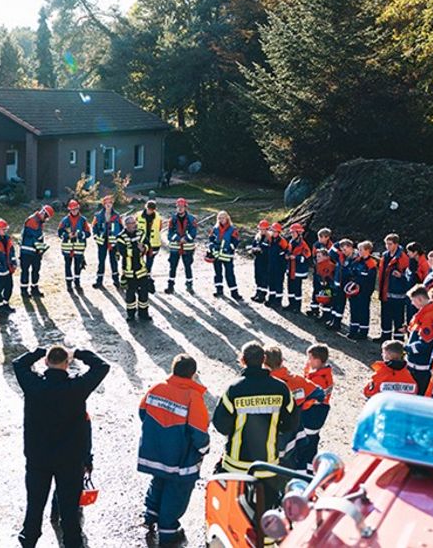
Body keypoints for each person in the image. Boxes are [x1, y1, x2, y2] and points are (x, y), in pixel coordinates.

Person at [13, 346, 109, 548]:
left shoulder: (33, 385)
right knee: (69, 507)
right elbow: (102, 366)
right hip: (70, 458)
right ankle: (72, 542)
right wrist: (79, 353)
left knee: (35, 503)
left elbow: (18, 363)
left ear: (46, 363)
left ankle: (29, 539)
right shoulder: (77, 388)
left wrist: (40, 351)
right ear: (67, 365)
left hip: (38, 456)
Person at [212, 341, 298, 510]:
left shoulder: (234, 389)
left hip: (235, 465)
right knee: (264, 515)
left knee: (234, 511)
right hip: (268, 465)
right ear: (264, 359)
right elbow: (292, 422)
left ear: (242, 360)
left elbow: (220, 424)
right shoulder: (281, 388)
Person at [137, 354, 209, 546]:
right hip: (180, 459)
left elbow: (143, 412)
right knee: (177, 492)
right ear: (193, 374)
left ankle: (150, 515)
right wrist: (204, 449)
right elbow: (198, 432)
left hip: (155, 452)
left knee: (159, 481)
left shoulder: (157, 388)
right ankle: (168, 532)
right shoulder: (193, 397)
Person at [262, 346, 325, 471]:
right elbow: (320, 393)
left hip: (274, 431)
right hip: (295, 430)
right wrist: (305, 404)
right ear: (281, 361)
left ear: (264, 363)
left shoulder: (267, 384)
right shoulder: (297, 380)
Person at [297, 344, 333, 477]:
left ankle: (304, 472)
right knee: (312, 441)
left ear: (317, 361)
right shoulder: (323, 374)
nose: (308, 361)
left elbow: (308, 399)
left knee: (306, 442)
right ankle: (310, 469)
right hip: (319, 412)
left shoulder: (319, 379)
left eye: (310, 358)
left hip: (313, 413)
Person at [405, 285, 433, 394]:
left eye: (413, 301)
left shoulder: (428, 316)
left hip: (420, 364)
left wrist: (405, 348)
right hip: (418, 362)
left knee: (418, 391)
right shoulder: (426, 313)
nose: (412, 304)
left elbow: (425, 345)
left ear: (420, 299)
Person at [117, 215, 152, 322]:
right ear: (126, 225)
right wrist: (138, 251)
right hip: (129, 271)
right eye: (131, 223)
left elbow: (147, 245)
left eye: (134, 223)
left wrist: (144, 248)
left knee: (144, 294)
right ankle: (131, 315)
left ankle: (144, 314)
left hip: (141, 270)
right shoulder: (121, 237)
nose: (134, 225)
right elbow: (124, 252)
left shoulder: (140, 233)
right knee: (130, 295)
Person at [378, 234, 411, 342]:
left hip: (398, 294)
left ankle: (398, 340)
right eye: (386, 243)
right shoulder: (385, 255)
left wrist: (401, 276)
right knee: (385, 316)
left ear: (396, 244)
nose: (387, 246)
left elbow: (409, 277)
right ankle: (385, 337)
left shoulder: (403, 258)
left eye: (390, 244)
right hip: (386, 292)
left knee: (398, 318)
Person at [18, 206, 53, 298]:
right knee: (25, 271)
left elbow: (38, 238)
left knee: (36, 271)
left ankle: (34, 289)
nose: (46, 220)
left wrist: (41, 249)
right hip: (27, 252)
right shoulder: (31, 220)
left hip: (35, 252)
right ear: (43, 213)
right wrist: (40, 246)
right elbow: (34, 237)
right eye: (46, 217)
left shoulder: (39, 222)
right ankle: (24, 291)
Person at [346, 241, 378, 341]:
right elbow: (351, 272)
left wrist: (364, 291)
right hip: (354, 291)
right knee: (353, 310)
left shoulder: (371, 264)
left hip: (364, 292)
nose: (358, 251)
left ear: (368, 250)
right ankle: (353, 330)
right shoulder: (357, 261)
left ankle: (363, 332)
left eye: (361, 249)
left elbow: (370, 279)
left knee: (363, 311)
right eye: (358, 249)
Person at [207, 211, 242, 300]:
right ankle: (219, 290)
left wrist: (229, 248)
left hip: (227, 256)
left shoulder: (232, 229)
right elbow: (210, 240)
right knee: (217, 273)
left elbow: (236, 241)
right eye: (219, 218)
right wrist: (212, 249)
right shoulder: (215, 229)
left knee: (229, 274)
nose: (221, 220)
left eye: (223, 218)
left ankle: (234, 293)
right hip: (217, 255)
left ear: (227, 218)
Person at [165, 198, 198, 294]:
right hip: (175, 247)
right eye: (178, 207)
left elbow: (193, 232)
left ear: (185, 207)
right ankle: (170, 286)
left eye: (181, 207)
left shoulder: (192, 219)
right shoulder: (172, 219)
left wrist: (185, 239)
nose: (180, 208)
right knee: (173, 266)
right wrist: (179, 239)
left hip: (187, 248)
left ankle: (189, 285)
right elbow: (170, 233)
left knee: (188, 266)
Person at [58, 200, 91, 290]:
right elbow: (59, 232)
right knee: (67, 265)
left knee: (78, 265)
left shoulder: (83, 220)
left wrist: (79, 235)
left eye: (75, 209)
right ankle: (69, 284)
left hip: (78, 248)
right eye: (72, 209)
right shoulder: (64, 220)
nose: (74, 211)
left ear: (78, 208)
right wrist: (66, 235)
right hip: (67, 248)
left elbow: (88, 233)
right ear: (69, 210)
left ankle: (77, 282)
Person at [91, 195, 122, 289]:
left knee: (114, 261)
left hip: (113, 243)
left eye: (110, 203)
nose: (108, 205)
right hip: (102, 242)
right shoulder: (98, 216)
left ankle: (116, 281)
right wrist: (96, 237)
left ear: (112, 204)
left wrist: (119, 241)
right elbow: (94, 227)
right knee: (101, 261)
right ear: (104, 204)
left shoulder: (117, 216)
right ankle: (99, 281)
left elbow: (121, 228)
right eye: (106, 203)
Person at [325, 238, 353, 329]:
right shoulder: (341, 257)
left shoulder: (353, 259)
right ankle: (333, 320)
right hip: (337, 284)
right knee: (334, 303)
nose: (343, 251)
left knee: (340, 304)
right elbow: (331, 251)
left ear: (350, 248)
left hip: (344, 285)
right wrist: (339, 244)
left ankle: (337, 323)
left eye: (345, 249)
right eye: (342, 250)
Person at [136, 200, 163, 293]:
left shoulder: (158, 217)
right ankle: (140, 279)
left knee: (149, 262)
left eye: (151, 210)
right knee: (139, 261)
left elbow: (159, 228)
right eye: (148, 209)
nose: (150, 211)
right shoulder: (138, 215)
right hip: (141, 243)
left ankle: (147, 279)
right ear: (145, 207)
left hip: (154, 244)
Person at [306, 228, 334, 316]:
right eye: (319, 237)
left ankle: (326, 313)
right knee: (316, 289)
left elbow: (333, 259)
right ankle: (314, 308)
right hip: (318, 271)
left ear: (327, 237)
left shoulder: (331, 246)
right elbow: (314, 257)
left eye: (321, 237)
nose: (320, 239)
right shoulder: (316, 244)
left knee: (327, 291)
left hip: (328, 273)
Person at [284, 223, 311, 312]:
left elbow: (307, 256)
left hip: (298, 271)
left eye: (293, 233)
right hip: (291, 269)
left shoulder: (303, 244)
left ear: (299, 233)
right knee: (290, 287)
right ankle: (291, 304)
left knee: (297, 289)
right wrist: (287, 256)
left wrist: (296, 258)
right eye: (291, 233)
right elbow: (288, 251)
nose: (292, 234)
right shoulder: (291, 242)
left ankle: (297, 307)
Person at [265, 223, 290, 308]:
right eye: (273, 231)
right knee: (271, 282)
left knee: (278, 283)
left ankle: (278, 301)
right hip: (271, 265)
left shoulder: (282, 241)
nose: (274, 233)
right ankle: (271, 298)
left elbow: (287, 251)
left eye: (276, 231)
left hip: (280, 266)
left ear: (279, 232)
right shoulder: (270, 239)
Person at [404, 242, 430, 320]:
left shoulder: (424, 264)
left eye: (409, 251)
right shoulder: (413, 261)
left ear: (415, 252)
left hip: (419, 293)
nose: (407, 254)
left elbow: (426, 279)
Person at [248, 220, 271, 303]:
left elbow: (270, 250)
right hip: (258, 260)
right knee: (257, 276)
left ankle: (262, 295)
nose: (262, 231)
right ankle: (258, 292)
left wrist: (262, 251)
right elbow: (254, 245)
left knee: (264, 278)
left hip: (265, 261)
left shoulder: (269, 238)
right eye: (260, 229)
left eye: (264, 229)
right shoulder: (257, 237)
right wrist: (253, 250)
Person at [309, 248, 335, 319]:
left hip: (327, 286)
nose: (317, 258)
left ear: (326, 256)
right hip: (318, 284)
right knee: (315, 296)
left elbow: (330, 276)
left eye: (319, 256)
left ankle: (326, 316)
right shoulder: (318, 264)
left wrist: (325, 283)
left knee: (327, 300)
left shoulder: (330, 265)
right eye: (317, 256)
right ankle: (315, 310)